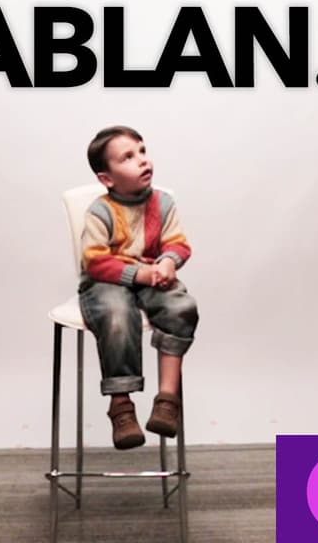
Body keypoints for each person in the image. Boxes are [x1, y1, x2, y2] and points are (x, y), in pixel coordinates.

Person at [79, 125, 199, 450]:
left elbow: (177, 243)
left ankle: (167, 400)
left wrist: (168, 262)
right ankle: (121, 405)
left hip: (153, 274)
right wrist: (139, 274)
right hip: (108, 281)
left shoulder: (163, 203)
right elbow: (95, 262)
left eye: (143, 151)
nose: (143, 160)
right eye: (128, 157)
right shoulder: (100, 211)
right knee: (117, 315)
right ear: (107, 178)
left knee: (181, 307)